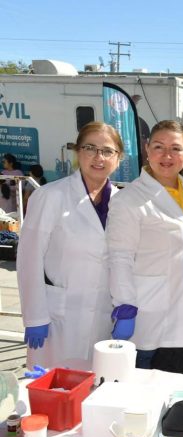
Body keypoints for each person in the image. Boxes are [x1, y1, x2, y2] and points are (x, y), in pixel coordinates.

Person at [17, 122, 123, 369]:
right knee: (53, 391)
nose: (99, 157)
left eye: (107, 151)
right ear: (78, 152)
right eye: (90, 148)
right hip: (57, 320)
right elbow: (29, 258)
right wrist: (35, 316)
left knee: (94, 393)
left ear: (118, 158)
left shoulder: (121, 202)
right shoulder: (51, 195)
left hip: (103, 318)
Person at [107, 120, 183, 369]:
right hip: (148, 315)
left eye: (176, 148)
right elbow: (120, 257)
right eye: (158, 147)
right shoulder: (129, 199)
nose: (167, 155)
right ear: (146, 149)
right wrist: (124, 307)